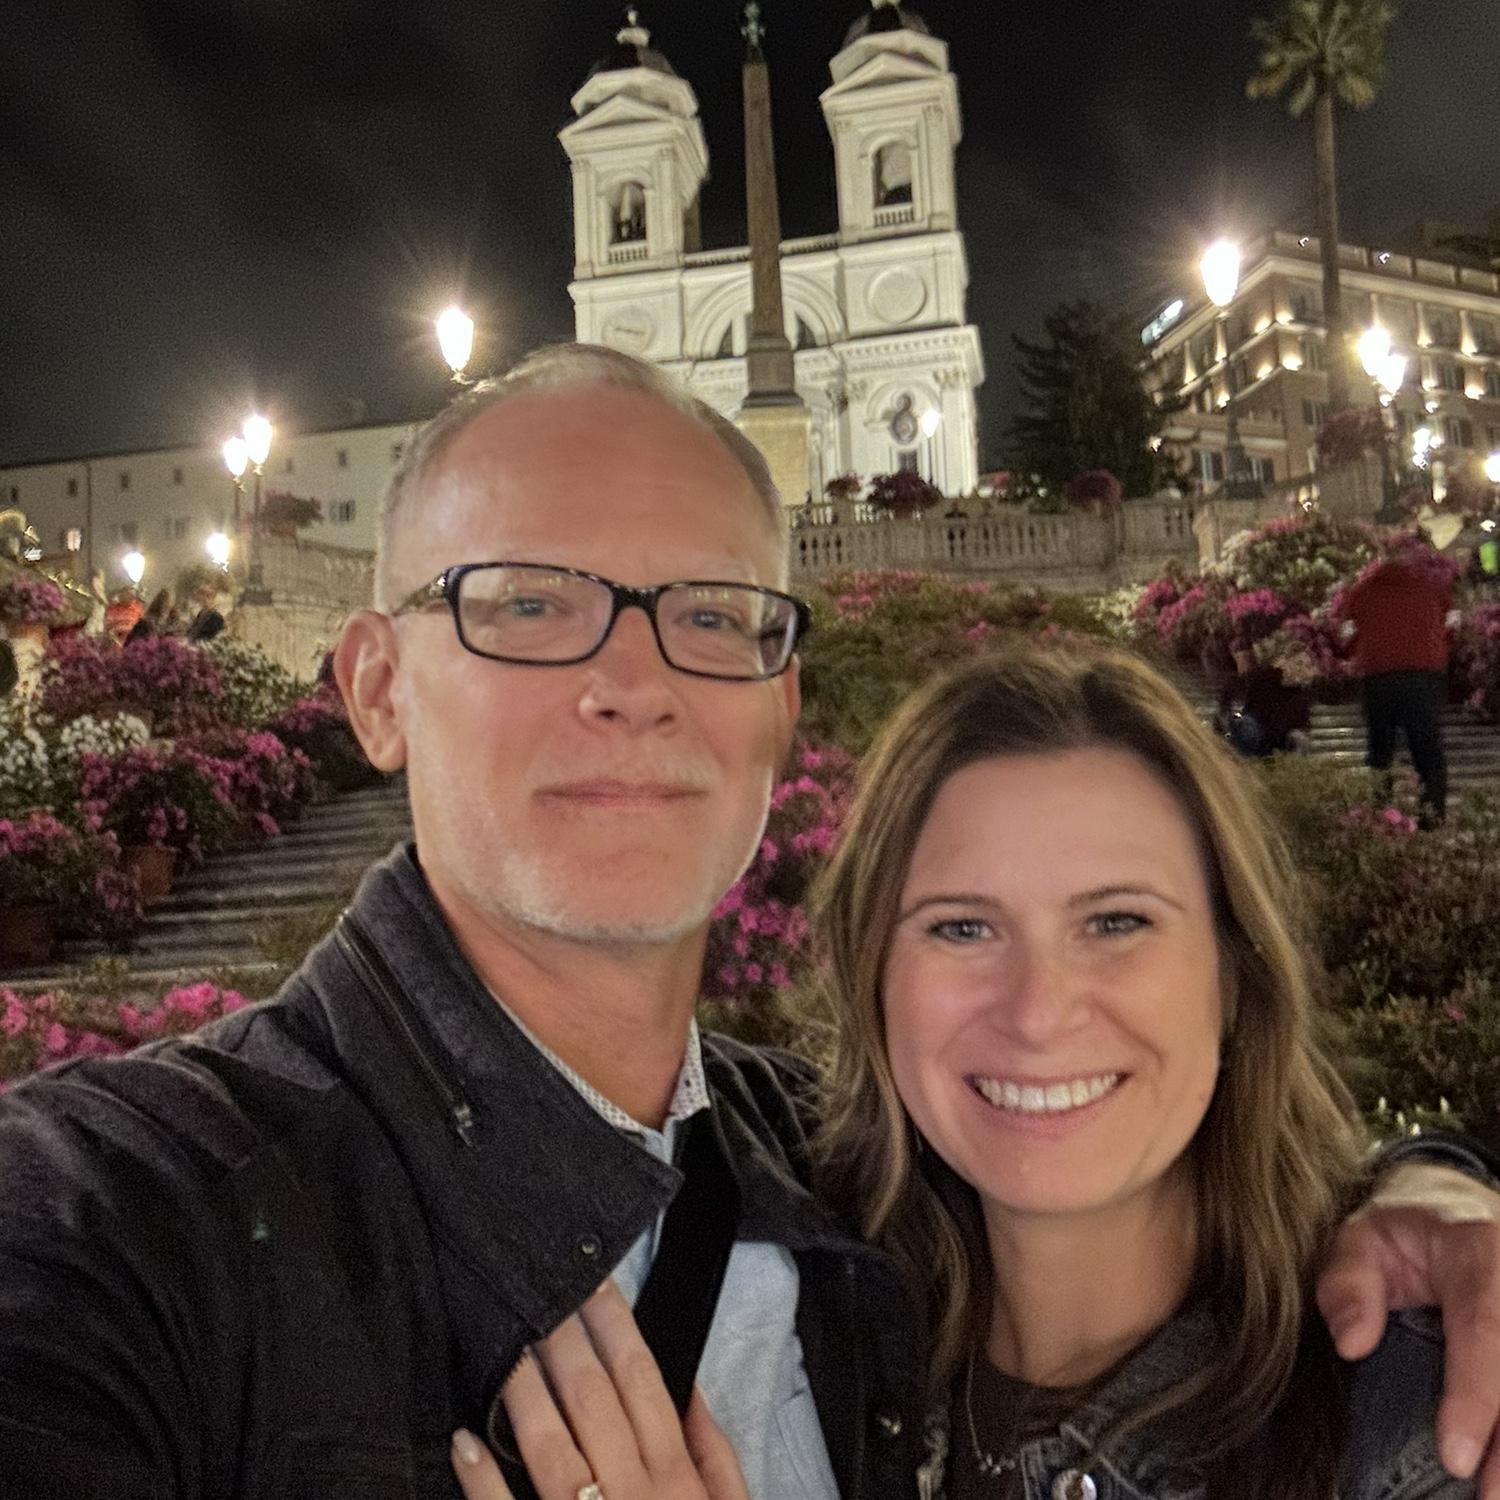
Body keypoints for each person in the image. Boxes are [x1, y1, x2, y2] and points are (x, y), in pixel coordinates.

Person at [2, 348, 1500, 1500]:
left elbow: (1156, 1177)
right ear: (379, 689)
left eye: (713, 612)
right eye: (525, 603)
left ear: (781, 707)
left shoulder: (853, 1183)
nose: (634, 680)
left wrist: (1424, 1201)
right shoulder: (120, 1217)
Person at [815, 644, 1478, 1498]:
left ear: (1234, 973)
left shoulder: (1422, 1434)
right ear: (873, 980)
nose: (1038, 1011)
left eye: (1116, 921)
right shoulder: (805, 1348)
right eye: (962, 929)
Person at [1344, 543, 1453, 822]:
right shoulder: (1429, 589)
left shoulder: (1364, 591)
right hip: (1422, 676)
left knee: (1380, 750)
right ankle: (1432, 814)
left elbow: (1346, 634)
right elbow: (1449, 626)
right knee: (1427, 750)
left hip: (1378, 678)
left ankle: (1383, 814)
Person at [1214, 645, 1311, 757]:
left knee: (1300, 740)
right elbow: (1232, 688)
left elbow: (1303, 726)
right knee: (1247, 726)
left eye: (1306, 666)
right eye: (1298, 663)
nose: (1301, 669)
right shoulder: (1263, 676)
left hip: (1276, 743)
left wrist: (1299, 735)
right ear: (1285, 661)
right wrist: (1225, 712)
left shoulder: (1302, 697)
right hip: (1253, 732)